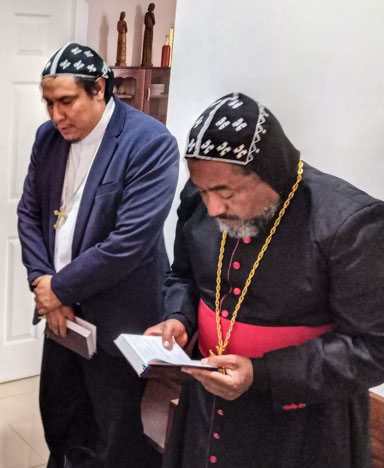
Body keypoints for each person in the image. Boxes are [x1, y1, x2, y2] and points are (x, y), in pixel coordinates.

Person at [146, 92, 384, 467]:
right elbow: (183, 276)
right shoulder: (200, 198)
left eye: (225, 193)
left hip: (302, 422)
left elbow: (374, 348)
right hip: (205, 401)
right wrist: (179, 318)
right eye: (204, 191)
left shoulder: (348, 223)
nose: (212, 208)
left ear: (271, 174)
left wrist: (263, 373)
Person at [17, 42, 179, 467]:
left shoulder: (149, 142)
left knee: (116, 438)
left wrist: (59, 289)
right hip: (62, 317)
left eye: (66, 101)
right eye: (49, 103)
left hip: (119, 319)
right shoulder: (48, 139)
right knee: (62, 424)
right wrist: (44, 283)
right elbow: (29, 213)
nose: (56, 115)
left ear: (100, 89)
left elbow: (129, 242)